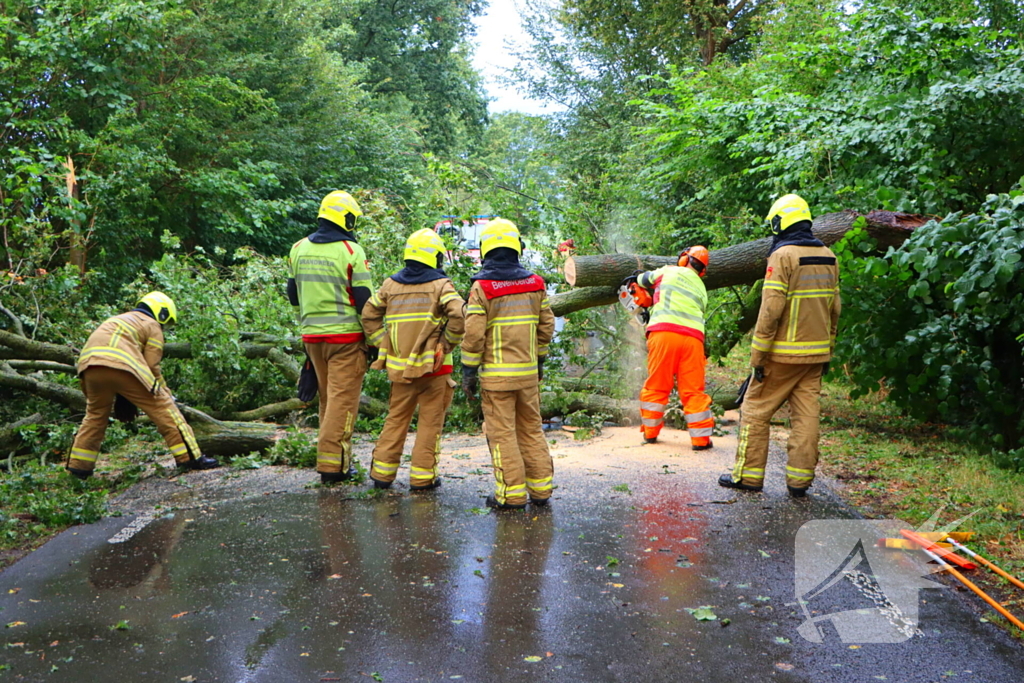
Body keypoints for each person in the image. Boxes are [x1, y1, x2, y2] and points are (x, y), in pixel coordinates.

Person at [719, 194, 841, 497]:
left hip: (781, 354)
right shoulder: (829, 256)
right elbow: (835, 308)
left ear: (780, 222)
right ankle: (799, 482)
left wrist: (758, 356)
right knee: (806, 416)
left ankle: (748, 477)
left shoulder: (783, 256)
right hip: (815, 354)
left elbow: (770, 309)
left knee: (755, 411)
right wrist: (829, 347)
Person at [66, 292, 218, 479]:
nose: (164, 327)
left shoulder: (118, 320)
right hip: (123, 366)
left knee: (95, 416)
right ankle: (191, 457)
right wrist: (165, 392)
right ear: (162, 313)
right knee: (164, 408)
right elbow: (151, 365)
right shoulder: (152, 325)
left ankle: (79, 468)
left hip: (89, 368)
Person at [361, 228, 466, 491]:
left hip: (400, 370)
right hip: (435, 369)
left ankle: (381, 476)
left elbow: (369, 314)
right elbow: (461, 316)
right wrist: (446, 344)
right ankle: (422, 479)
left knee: (396, 419)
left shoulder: (390, 285)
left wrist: (381, 343)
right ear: (435, 258)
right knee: (430, 424)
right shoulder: (441, 286)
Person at [461, 219, 555, 510]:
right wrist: (538, 360)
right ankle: (541, 490)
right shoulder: (535, 283)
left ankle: (511, 495)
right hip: (527, 375)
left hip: (497, 378)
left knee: (502, 434)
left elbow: (474, 334)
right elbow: (546, 326)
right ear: (517, 248)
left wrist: (468, 371)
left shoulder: (483, 288)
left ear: (485, 249)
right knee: (531, 429)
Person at [288, 190, 374, 484]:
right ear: (346, 218)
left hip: (312, 338)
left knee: (329, 400)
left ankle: (335, 464)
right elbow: (365, 302)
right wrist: (375, 341)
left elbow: (292, 297)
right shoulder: (351, 252)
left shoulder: (297, 248)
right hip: (346, 339)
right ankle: (331, 468)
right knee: (343, 404)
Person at [632, 246, 715, 450]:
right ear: (702, 270)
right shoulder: (701, 288)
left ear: (683, 259)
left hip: (664, 334)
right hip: (694, 340)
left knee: (657, 384)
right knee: (694, 390)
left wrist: (636, 281)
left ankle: (650, 433)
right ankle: (701, 439)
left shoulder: (668, 271)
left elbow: (643, 279)